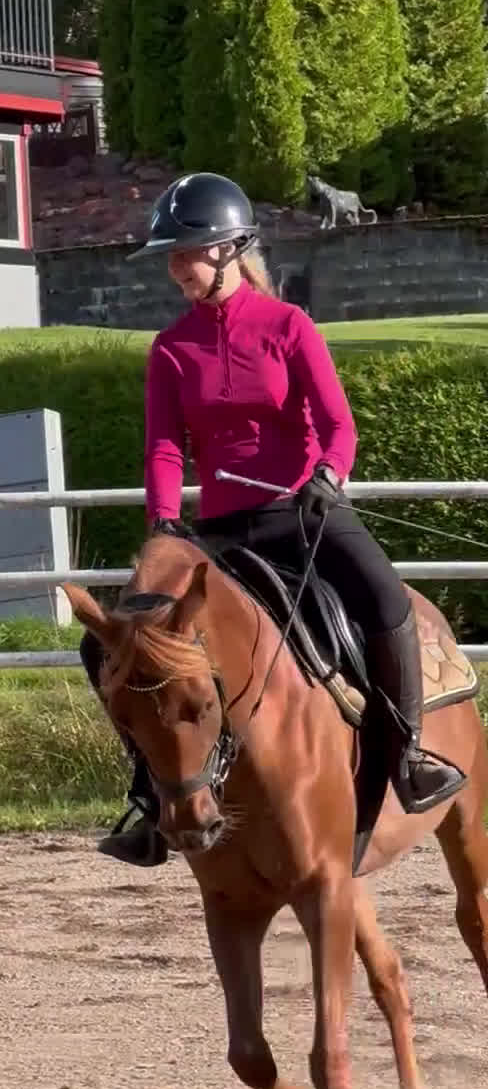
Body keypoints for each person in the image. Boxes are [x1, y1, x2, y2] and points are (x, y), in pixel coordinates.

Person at [84, 170, 467, 868]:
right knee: (105, 643)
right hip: (222, 533)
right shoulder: (170, 349)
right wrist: (167, 521)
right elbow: (166, 447)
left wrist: (327, 475)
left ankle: (409, 752)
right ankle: (149, 796)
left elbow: (336, 424)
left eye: (184, 253)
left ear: (230, 249)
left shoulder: (289, 326)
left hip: (305, 513)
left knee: (384, 596)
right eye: (169, 256)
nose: (174, 267)